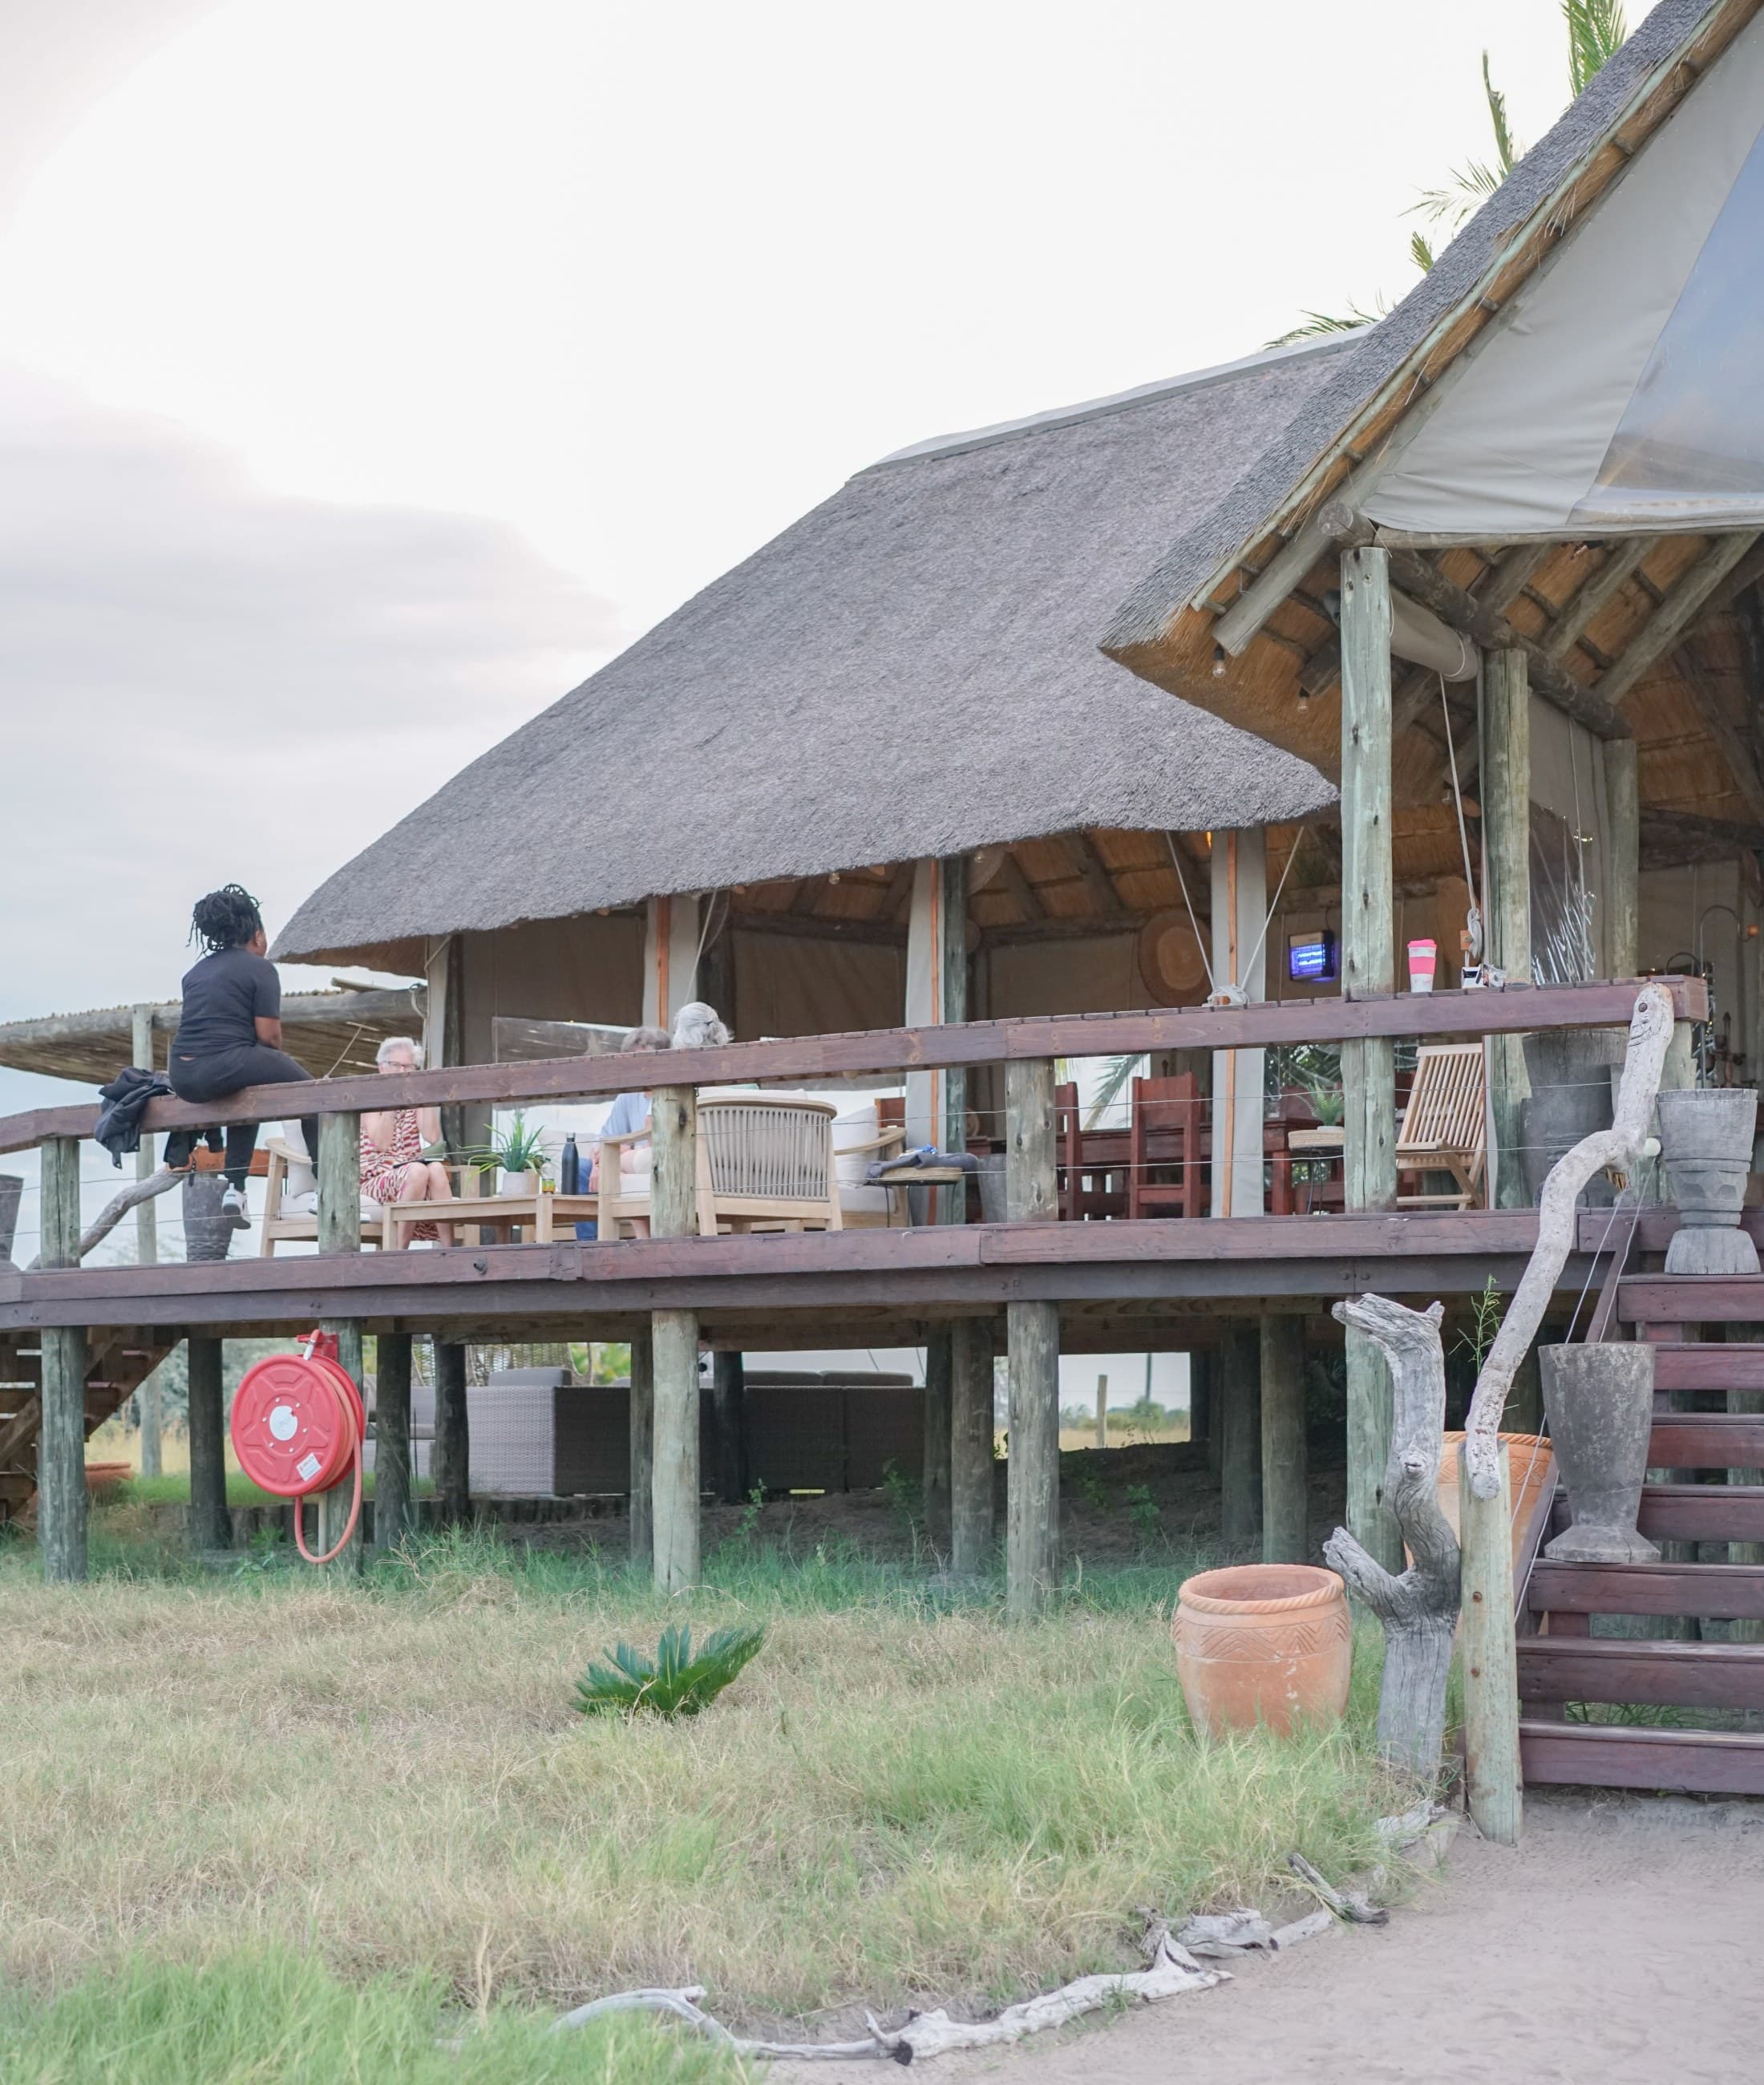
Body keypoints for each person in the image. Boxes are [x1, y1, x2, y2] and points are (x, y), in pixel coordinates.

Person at [165, 885, 316, 1226]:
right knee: (315, 1095)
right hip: (224, 1063)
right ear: (257, 933)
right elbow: (269, 1037)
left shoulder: (194, 974)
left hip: (183, 1074)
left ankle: (236, 1189)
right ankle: (323, 1190)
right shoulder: (260, 968)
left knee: (247, 1095)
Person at [577, 1025, 671, 1240]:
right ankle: (590, 1246)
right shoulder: (628, 1096)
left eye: (642, 1060)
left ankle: (643, 1238)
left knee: (625, 1169)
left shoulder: (671, 1093)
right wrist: (599, 1165)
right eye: (631, 1060)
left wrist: (616, 1155)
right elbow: (603, 1141)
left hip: (650, 1163)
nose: (637, 1067)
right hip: (625, 1162)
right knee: (581, 1168)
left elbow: (653, 1144)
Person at [360, 1035, 455, 1245]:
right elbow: (382, 1144)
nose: (403, 1072)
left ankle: (449, 1251)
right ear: (382, 1068)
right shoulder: (370, 1099)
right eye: (396, 1066)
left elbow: (432, 1137)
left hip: (410, 1175)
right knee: (418, 1170)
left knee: (437, 1169)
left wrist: (426, 1094)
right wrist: (393, 1100)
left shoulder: (415, 1099)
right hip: (374, 1178)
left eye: (408, 1067)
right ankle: (399, 1251)